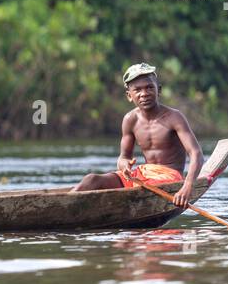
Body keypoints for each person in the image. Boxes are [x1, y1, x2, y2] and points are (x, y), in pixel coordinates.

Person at [71, 63, 203, 208]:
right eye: (138, 90)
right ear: (129, 95)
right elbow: (123, 157)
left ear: (159, 90)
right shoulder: (130, 120)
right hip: (142, 175)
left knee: (138, 190)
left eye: (149, 87)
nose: (144, 93)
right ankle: (64, 204)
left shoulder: (174, 117)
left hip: (169, 178)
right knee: (91, 180)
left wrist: (187, 185)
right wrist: (125, 166)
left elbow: (196, 153)